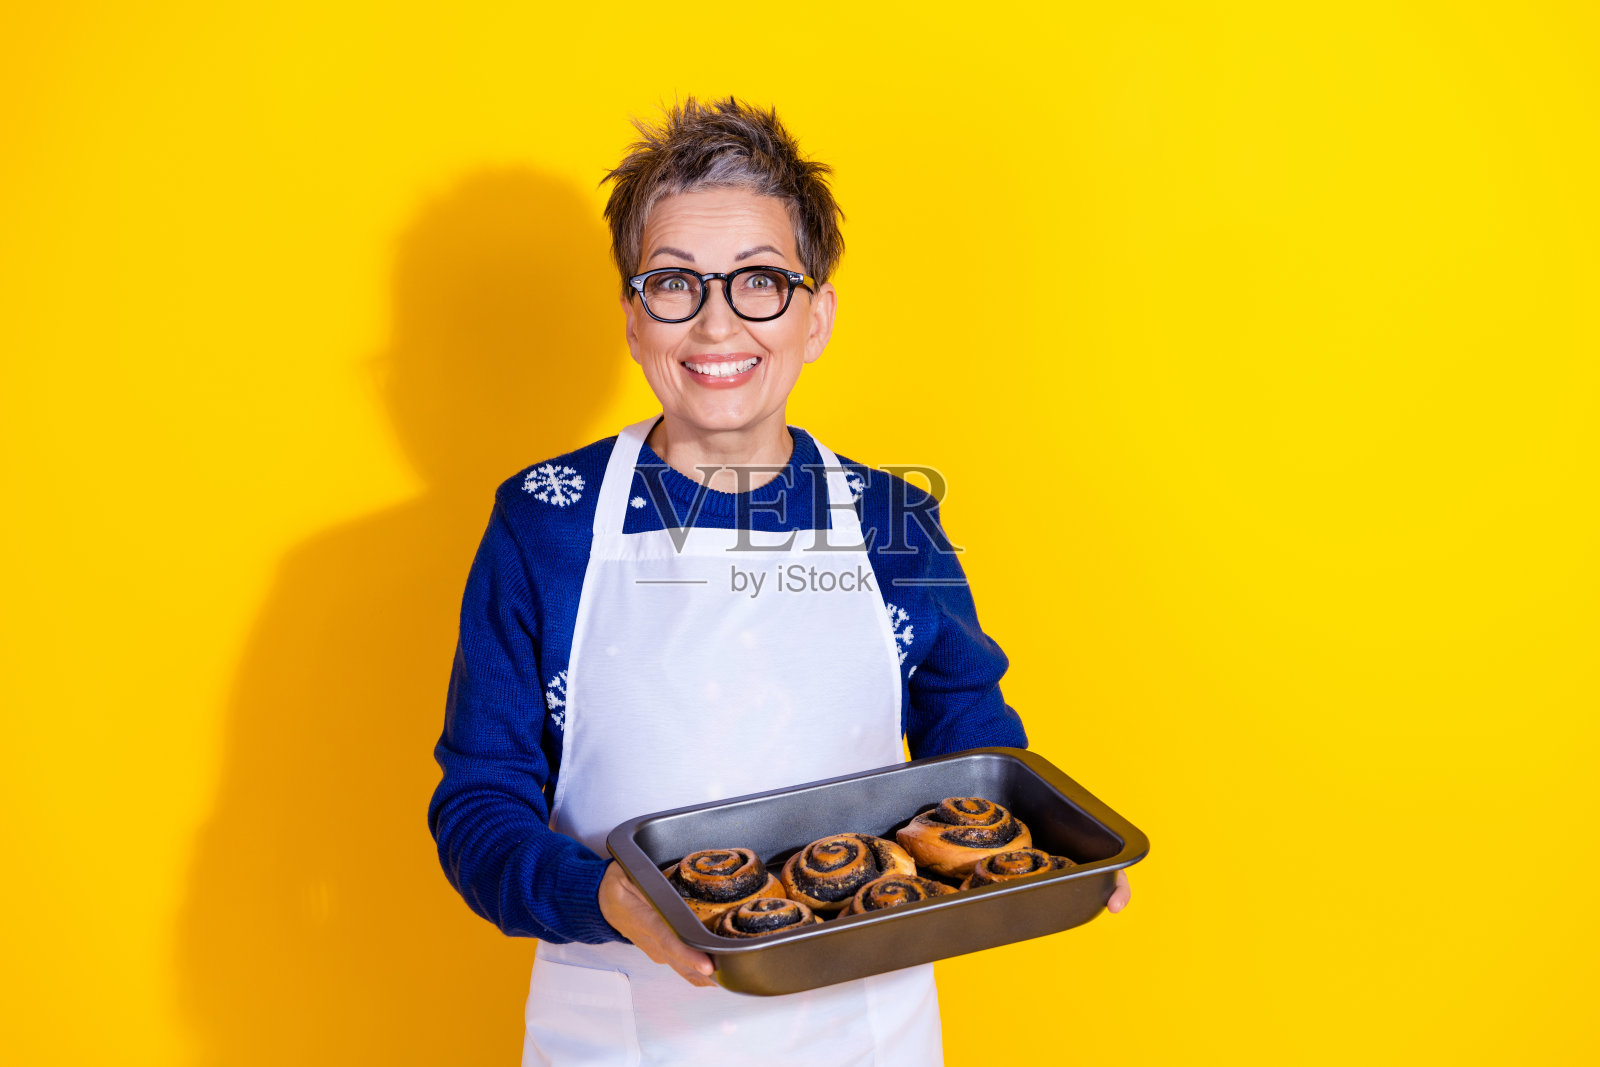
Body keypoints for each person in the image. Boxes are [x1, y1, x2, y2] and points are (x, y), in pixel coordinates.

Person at [429, 96, 1131, 1066]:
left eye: (759, 281)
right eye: (674, 283)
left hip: (863, 1033)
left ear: (817, 313)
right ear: (633, 318)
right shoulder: (545, 519)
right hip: (625, 1034)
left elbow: (970, 735)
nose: (716, 324)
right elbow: (477, 805)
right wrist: (604, 896)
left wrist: (1039, 846)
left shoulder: (895, 520)